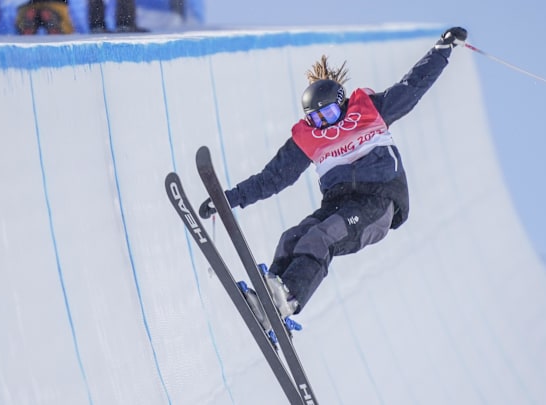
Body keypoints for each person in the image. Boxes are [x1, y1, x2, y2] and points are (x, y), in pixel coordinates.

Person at [198, 26, 468, 320]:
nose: (324, 124)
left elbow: (412, 86)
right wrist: (228, 199)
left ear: (341, 104)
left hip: (378, 202)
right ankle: (268, 302)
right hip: (339, 203)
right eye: (315, 118)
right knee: (292, 238)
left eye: (328, 115)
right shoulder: (309, 138)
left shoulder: (369, 111)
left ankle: (287, 297)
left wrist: (442, 50)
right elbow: (273, 178)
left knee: (321, 237)